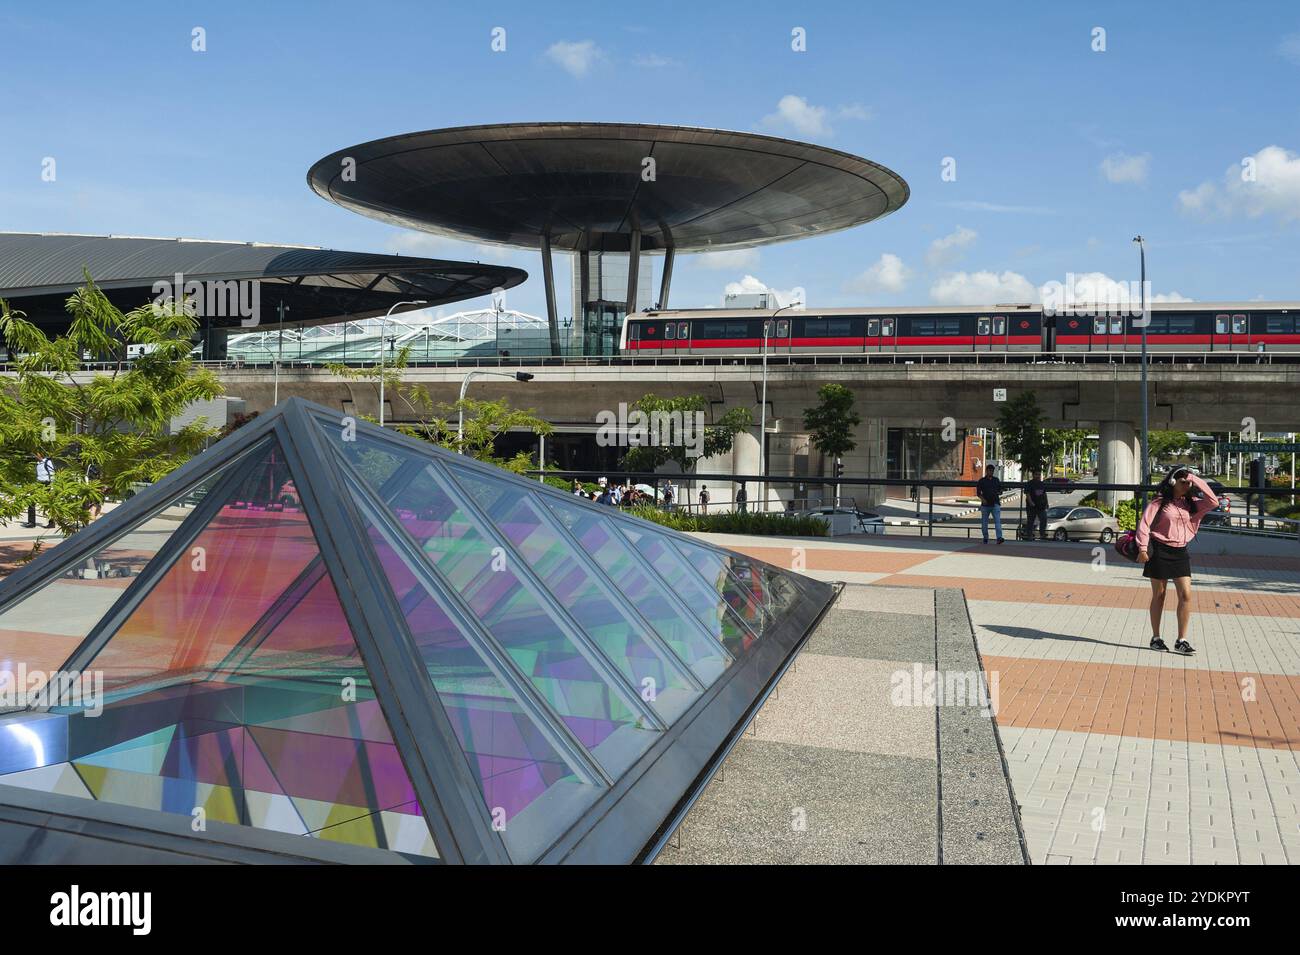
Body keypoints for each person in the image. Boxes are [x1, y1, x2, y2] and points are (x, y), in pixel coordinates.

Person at [1136, 467, 1218, 654]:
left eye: (1189, 483)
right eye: (1183, 482)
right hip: (1159, 550)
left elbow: (1213, 502)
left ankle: (1181, 640)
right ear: (1173, 482)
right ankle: (1156, 638)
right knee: (1160, 595)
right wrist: (1142, 548)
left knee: (1186, 595)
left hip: (1180, 552)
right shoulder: (1159, 502)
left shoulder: (1192, 503)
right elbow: (1144, 524)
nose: (1187, 485)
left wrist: (1194, 479)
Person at [23, 453, 56, 529]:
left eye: (37, 455)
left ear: (41, 455)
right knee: (31, 500)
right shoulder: (38, 464)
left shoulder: (47, 461)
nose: (35, 456)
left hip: (47, 484)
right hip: (39, 484)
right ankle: (31, 522)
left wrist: (52, 486)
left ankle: (52, 523)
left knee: (49, 503)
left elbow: (52, 473)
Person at [975, 464, 1005, 545]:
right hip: (985, 505)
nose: (991, 472)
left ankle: (999, 538)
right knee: (984, 523)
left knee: (997, 521)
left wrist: (999, 492)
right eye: (989, 470)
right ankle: (985, 537)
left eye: (992, 471)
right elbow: (978, 493)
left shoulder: (996, 480)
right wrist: (983, 499)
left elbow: (1000, 490)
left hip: (995, 503)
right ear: (986, 471)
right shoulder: (982, 481)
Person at [1024, 469, 1049, 540]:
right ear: (1033, 475)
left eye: (1039, 474)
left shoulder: (1042, 483)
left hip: (1041, 506)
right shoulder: (1029, 483)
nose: (1038, 476)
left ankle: (1042, 534)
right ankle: (1029, 536)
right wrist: (1031, 503)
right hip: (1032, 507)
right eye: (1036, 474)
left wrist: (1047, 503)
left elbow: (1044, 494)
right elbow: (1027, 494)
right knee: (1030, 521)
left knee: (1044, 519)